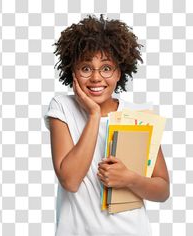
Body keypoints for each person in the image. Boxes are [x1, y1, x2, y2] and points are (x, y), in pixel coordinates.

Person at [44, 14, 169, 236]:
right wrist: (94, 114)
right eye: (85, 68)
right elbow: (70, 180)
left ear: (119, 72)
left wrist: (130, 179)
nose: (95, 77)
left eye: (106, 68)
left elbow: (162, 190)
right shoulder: (61, 107)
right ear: (72, 72)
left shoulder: (138, 116)